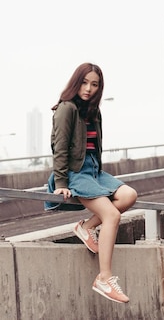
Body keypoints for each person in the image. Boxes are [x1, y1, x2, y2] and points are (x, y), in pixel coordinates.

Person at [44, 62, 138, 304]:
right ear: (76, 82)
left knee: (129, 195)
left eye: (94, 84)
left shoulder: (94, 112)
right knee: (112, 217)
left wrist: (97, 174)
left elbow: (94, 148)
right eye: (84, 83)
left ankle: (86, 227)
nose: (88, 89)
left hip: (94, 171)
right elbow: (60, 148)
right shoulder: (66, 109)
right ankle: (104, 278)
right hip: (75, 173)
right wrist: (62, 181)